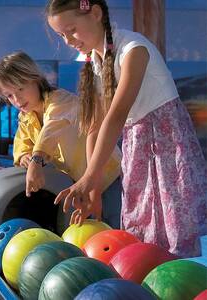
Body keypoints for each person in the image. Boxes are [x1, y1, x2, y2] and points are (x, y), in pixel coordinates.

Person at [47, 0, 207, 257]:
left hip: (165, 144)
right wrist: (94, 189)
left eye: (72, 30)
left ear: (96, 14)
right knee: (142, 232)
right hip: (138, 145)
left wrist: (89, 178)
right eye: (61, 35)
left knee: (170, 234)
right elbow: (95, 129)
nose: (68, 41)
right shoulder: (98, 62)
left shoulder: (134, 49)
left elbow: (117, 115)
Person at [0, 51, 123, 229]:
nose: (17, 99)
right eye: (9, 95)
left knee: (116, 226)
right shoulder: (26, 117)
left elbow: (51, 129)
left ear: (35, 79)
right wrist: (23, 157)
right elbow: (22, 143)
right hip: (81, 183)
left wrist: (36, 160)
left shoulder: (61, 100)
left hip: (109, 175)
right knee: (95, 231)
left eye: (20, 89)